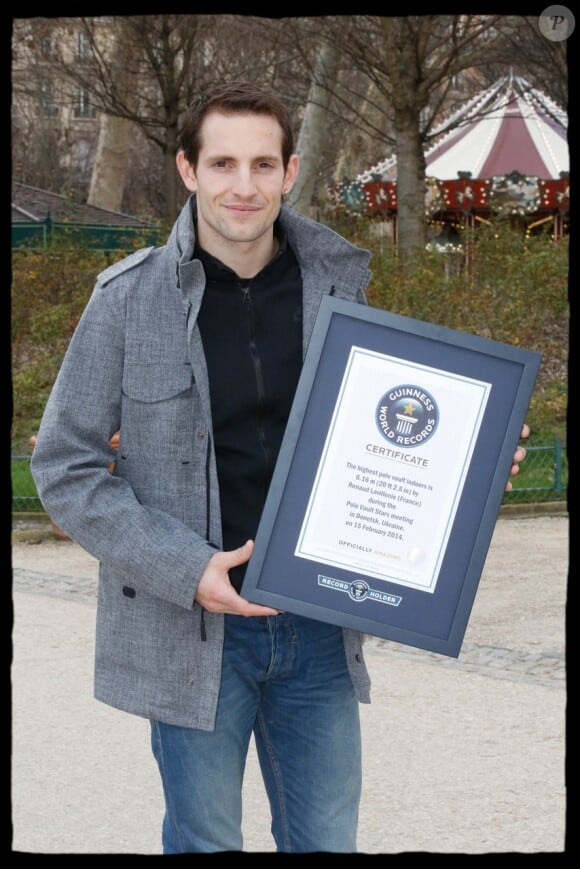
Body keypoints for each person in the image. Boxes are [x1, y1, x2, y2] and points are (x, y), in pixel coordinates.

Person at [30, 80, 529, 854]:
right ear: (188, 170)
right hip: (191, 627)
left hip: (322, 624)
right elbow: (64, 466)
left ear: (290, 172)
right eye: (223, 163)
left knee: (327, 840)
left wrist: (475, 459)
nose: (244, 185)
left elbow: (387, 441)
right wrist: (186, 567)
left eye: (264, 164)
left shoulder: (339, 285)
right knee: (204, 841)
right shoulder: (127, 300)